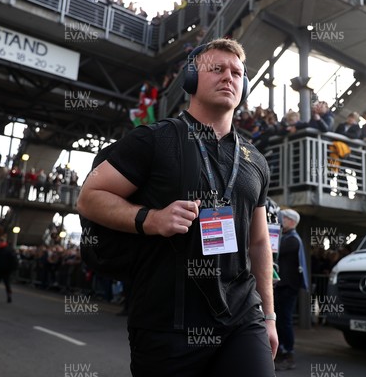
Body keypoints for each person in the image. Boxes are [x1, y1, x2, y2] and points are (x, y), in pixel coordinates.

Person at [77, 38, 277, 376]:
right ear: (189, 80)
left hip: (242, 319)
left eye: (237, 72)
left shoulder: (255, 160)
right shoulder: (153, 139)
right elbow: (89, 196)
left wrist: (268, 316)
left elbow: (259, 243)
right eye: (217, 69)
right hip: (166, 323)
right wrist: (151, 219)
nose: (229, 77)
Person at [274, 209, 309, 371]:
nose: (281, 221)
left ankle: (289, 354)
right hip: (284, 286)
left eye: (284, 219)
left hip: (288, 287)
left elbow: (275, 248)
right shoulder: (289, 238)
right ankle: (283, 351)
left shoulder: (292, 240)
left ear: (293, 222)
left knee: (285, 321)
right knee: (281, 321)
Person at [0, 235, 18, 303]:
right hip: (2, 269)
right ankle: (0, 296)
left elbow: (13, 260)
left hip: (3, 270)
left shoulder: (1, 250)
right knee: (4, 284)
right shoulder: (7, 249)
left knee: (2, 284)